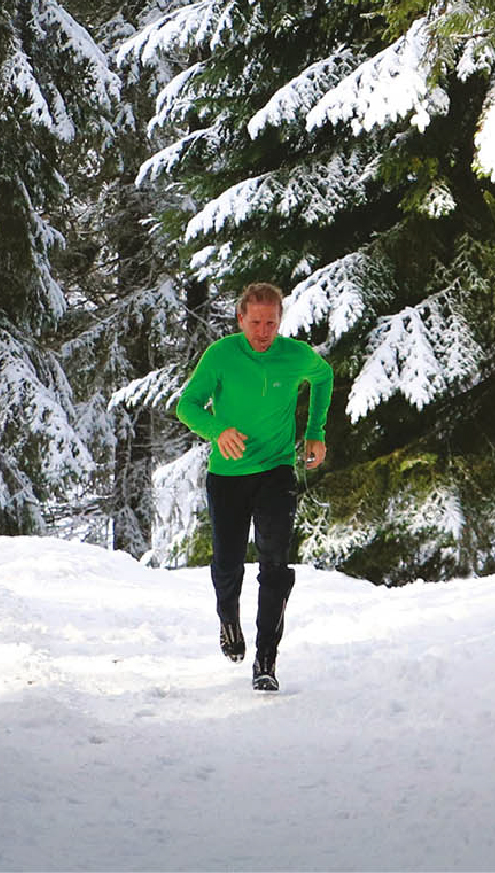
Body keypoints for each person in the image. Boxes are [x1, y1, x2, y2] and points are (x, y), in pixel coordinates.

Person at [172, 281, 333, 691]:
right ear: (241, 319)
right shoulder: (221, 356)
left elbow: (324, 376)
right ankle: (228, 617)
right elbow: (187, 405)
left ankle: (266, 658)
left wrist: (315, 430)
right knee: (227, 564)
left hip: (276, 470)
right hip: (227, 476)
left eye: (271, 323)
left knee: (274, 564)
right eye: (256, 322)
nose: (263, 332)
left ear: (281, 321)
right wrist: (217, 429)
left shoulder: (294, 356)